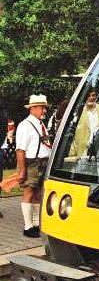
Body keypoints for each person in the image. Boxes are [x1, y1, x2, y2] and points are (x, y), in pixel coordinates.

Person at [16, 94, 52, 238]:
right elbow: (20, 150)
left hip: (43, 162)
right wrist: (22, 170)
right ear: (32, 108)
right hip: (32, 162)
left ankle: (37, 224)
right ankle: (28, 226)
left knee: (38, 193)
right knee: (29, 192)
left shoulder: (41, 123)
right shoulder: (25, 125)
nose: (44, 111)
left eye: (44, 108)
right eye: (42, 108)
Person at [68, 89, 99, 158]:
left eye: (93, 95)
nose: (91, 98)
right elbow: (73, 134)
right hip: (83, 150)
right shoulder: (79, 112)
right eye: (88, 96)